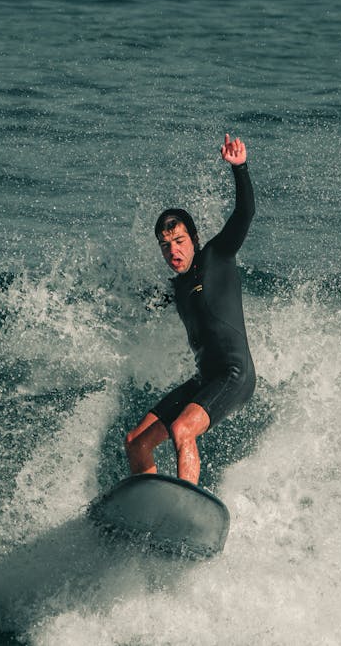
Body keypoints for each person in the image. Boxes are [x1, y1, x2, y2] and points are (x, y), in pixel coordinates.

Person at [125, 133, 255, 485]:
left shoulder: (217, 256)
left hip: (234, 375)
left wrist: (239, 168)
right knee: (136, 442)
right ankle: (152, 506)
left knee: (183, 428)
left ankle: (185, 503)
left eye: (179, 241)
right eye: (165, 246)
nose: (173, 252)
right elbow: (143, 302)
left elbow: (245, 213)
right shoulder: (177, 287)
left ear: (194, 239)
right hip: (204, 379)